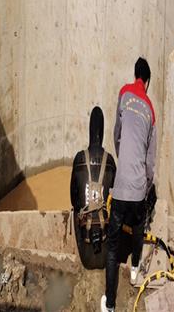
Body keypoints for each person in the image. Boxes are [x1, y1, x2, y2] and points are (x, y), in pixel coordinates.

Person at [101, 58, 157, 312]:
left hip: (121, 185)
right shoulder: (151, 110)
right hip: (137, 189)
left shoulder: (124, 94)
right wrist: (146, 187)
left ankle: (110, 305)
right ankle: (135, 271)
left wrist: (123, 159)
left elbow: (116, 133)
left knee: (112, 248)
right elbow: (150, 160)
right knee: (137, 228)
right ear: (147, 81)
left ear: (135, 76)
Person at [70, 106, 116, 269]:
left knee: (76, 208)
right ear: (102, 133)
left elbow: (73, 199)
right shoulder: (110, 160)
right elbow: (114, 196)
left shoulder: (79, 158)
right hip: (105, 250)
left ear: (89, 132)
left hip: (86, 256)